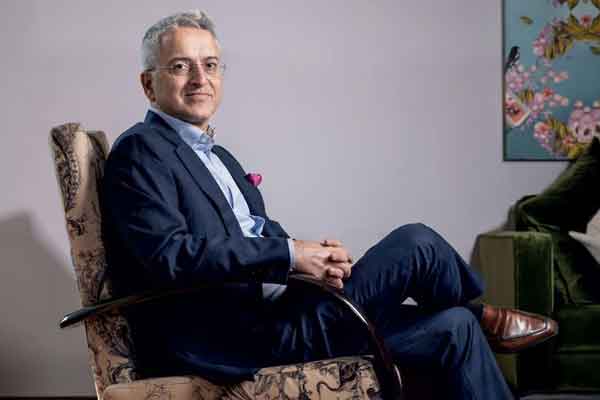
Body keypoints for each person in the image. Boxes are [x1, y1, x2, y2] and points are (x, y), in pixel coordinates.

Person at [101, 10, 558, 399]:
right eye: (181, 66)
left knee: (454, 325)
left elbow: (254, 235)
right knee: (416, 243)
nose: (201, 79)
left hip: (282, 308)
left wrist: (315, 261)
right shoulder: (141, 151)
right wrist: (290, 255)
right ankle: (488, 316)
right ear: (148, 84)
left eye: (211, 65)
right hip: (236, 338)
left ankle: (475, 318)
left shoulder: (217, 156)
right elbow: (170, 256)